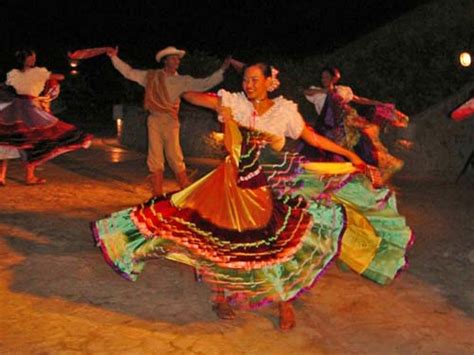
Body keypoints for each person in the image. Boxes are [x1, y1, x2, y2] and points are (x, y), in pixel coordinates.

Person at [92, 62, 412, 330]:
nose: (248, 84)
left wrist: (351, 157)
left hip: (264, 184)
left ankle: (284, 303)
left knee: (273, 244)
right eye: (245, 79)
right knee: (218, 241)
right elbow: (189, 95)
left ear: (269, 83)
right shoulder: (235, 103)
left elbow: (310, 136)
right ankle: (221, 297)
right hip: (229, 185)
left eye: (254, 80)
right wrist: (219, 105)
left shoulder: (284, 111)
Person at [105, 46, 231, 195]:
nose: (177, 61)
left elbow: (204, 83)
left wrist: (222, 70)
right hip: (154, 119)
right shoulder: (152, 76)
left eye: (178, 58)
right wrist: (114, 57)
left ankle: (185, 189)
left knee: (174, 155)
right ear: (165, 61)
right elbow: (129, 72)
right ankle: (157, 194)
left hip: (171, 121)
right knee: (155, 157)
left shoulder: (182, 80)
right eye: (173, 58)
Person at [0, 49, 92, 185]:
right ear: (28, 59)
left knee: (8, 141)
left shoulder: (12, 73)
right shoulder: (38, 72)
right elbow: (60, 76)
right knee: (33, 142)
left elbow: (6, 87)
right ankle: (29, 176)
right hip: (30, 109)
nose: (34, 59)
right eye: (33, 57)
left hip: (13, 108)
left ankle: (1, 176)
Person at [303, 67, 408, 182]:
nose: (324, 79)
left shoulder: (342, 90)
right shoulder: (316, 92)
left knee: (362, 143)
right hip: (328, 128)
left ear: (334, 78)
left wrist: (377, 103)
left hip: (345, 124)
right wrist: (326, 92)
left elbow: (359, 99)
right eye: (323, 77)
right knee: (330, 152)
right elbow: (306, 92)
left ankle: (371, 172)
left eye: (327, 77)